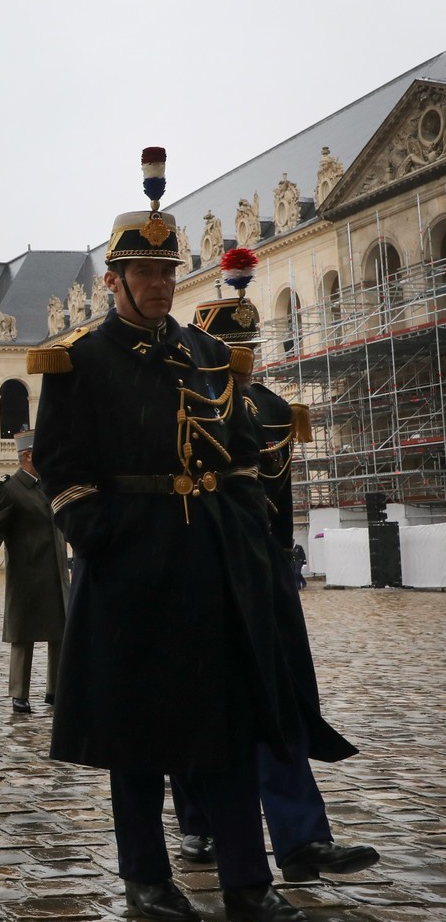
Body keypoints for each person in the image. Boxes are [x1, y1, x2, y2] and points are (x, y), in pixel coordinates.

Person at [31, 148, 308, 922]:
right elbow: (61, 466)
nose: (158, 285)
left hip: (211, 561)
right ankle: (146, 882)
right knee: (136, 735)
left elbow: (242, 450)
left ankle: (249, 883)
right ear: (113, 281)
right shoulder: (79, 360)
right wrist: (104, 537)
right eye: (143, 273)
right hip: (131, 565)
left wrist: (248, 529)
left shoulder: (207, 353)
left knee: (224, 724)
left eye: (166, 271)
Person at [169, 276, 379, 884]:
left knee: (279, 704)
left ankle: (302, 839)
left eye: (248, 348)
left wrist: (284, 573)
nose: (242, 359)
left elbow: (280, 504)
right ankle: (199, 820)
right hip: (202, 578)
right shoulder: (181, 405)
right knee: (201, 706)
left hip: (264, 576)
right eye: (230, 348)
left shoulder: (270, 409)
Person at [0, 428, 67, 713]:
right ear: (27, 456)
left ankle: (55, 690)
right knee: (23, 635)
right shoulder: (9, 488)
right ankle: (19, 694)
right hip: (28, 573)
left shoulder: (50, 485)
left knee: (59, 634)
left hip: (56, 572)